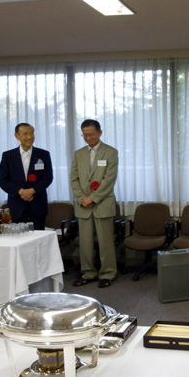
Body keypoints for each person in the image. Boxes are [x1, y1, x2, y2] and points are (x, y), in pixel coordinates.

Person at [70, 119, 119, 288]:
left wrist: (93, 198)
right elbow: (74, 179)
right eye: (84, 135)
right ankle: (88, 273)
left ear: (100, 133)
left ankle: (108, 273)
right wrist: (81, 198)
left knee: (105, 242)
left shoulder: (111, 152)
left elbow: (109, 180)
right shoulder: (78, 154)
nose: (88, 138)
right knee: (85, 243)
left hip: (102, 203)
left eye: (91, 134)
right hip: (83, 205)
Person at [0, 123, 53, 230]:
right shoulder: (8, 156)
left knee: (38, 237)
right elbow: (3, 181)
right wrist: (21, 192)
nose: (29, 137)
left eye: (32, 133)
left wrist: (32, 191)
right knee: (18, 237)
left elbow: (48, 177)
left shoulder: (43, 154)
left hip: (37, 205)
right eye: (25, 134)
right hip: (17, 206)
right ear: (17, 136)